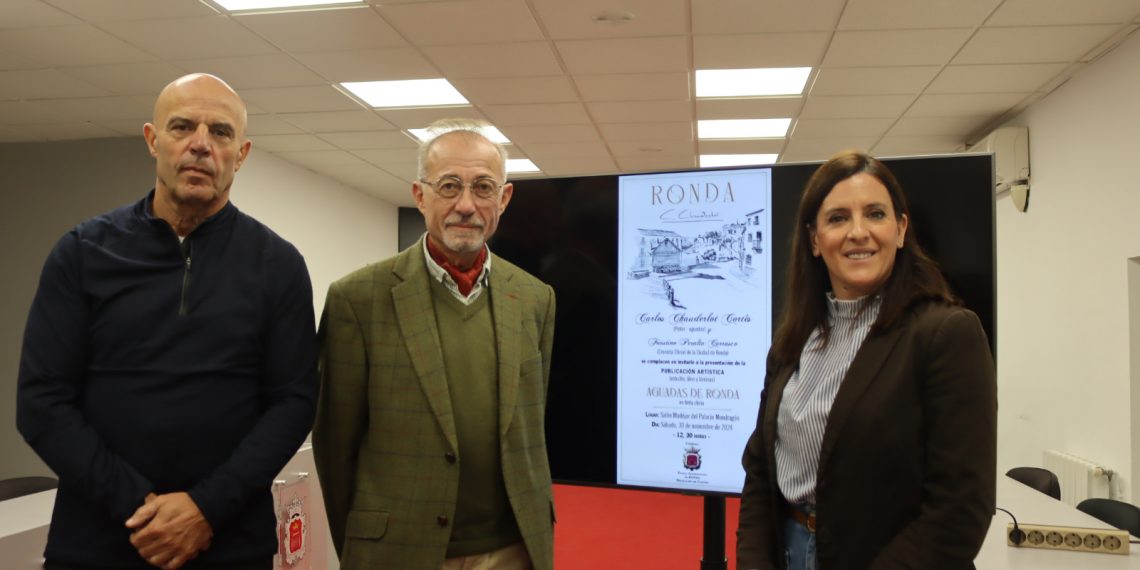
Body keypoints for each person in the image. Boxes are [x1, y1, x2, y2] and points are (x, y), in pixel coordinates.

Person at [16, 73, 318, 570]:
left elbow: (294, 402)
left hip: (228, 543)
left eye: (220, 133)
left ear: (240, 154)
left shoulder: (277, 265)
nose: (201, 145)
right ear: (153, 141)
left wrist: (205, 509)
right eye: (182, 127)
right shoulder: (83, 253)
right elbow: (41, 401)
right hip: (97, 543)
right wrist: (140, 508)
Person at [314, 119, 556, 570]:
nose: (466, 205)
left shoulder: (534, 298)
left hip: (512, 548)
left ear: (503, 200)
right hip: (399, 551)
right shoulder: (358, 299)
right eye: (449, 186)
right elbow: (335, 446)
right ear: (420, 195)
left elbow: (532, 426)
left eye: (483, 187)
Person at [736, 151, 996, 569]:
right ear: (815, 240)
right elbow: (761, 469)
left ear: (901, 230)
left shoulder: (946, 334)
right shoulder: (791, 344)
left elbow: (960, 509)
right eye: (838, 218)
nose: (858, 232)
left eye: (875, 214)